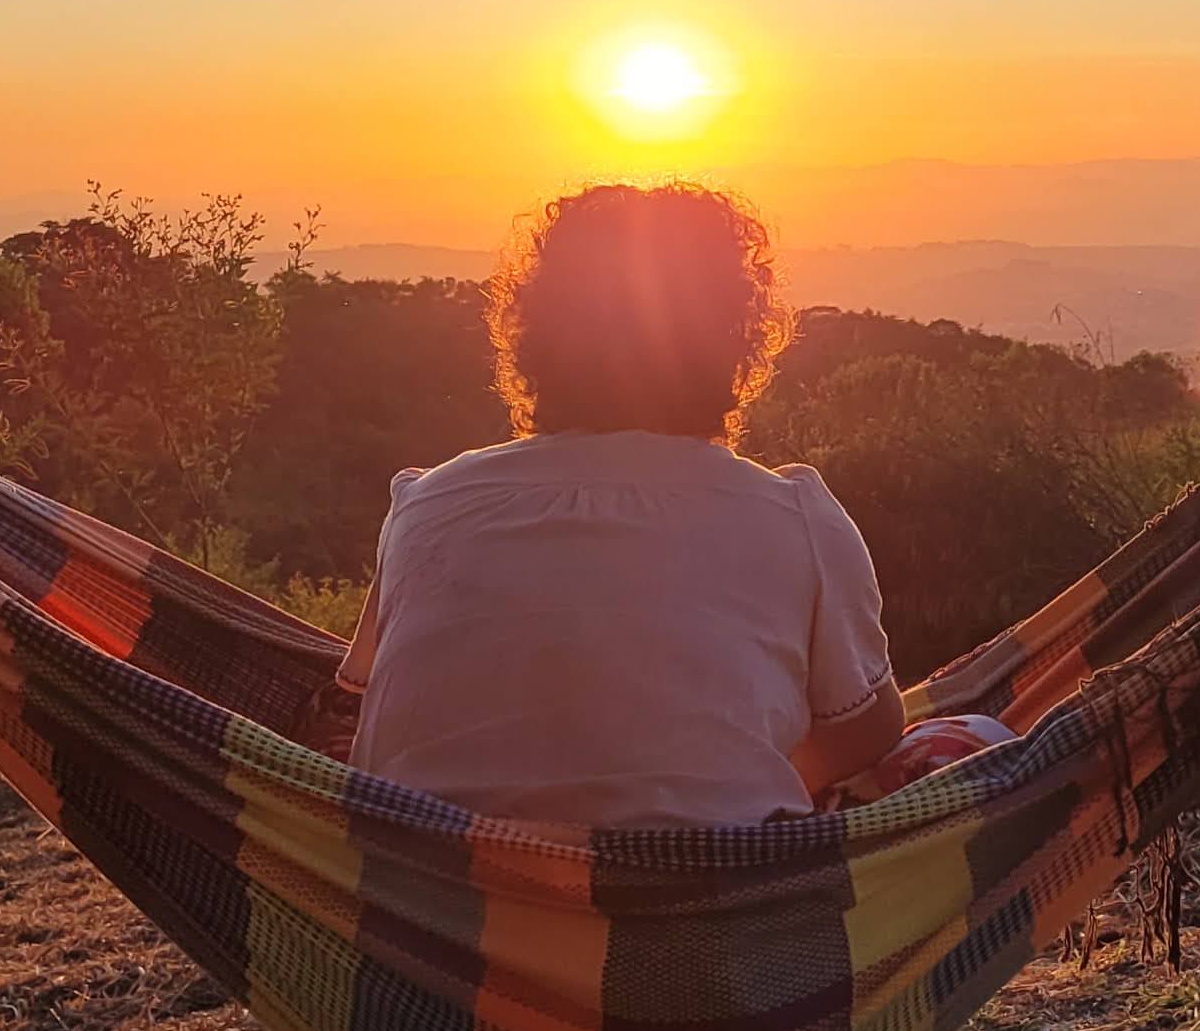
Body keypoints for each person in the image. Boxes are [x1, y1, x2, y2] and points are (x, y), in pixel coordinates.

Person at [337, 182, 906, 828]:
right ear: (735, 347)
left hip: (420, 902)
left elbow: (373, 706)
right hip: (706, 907)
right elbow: (868, 730)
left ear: (534, 341)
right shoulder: (795, 520)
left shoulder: (427, 506)